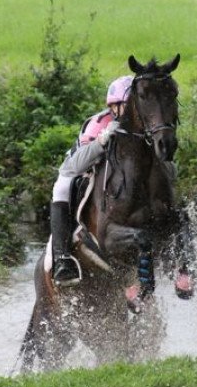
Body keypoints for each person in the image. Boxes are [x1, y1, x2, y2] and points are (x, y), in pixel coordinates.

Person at [50, 75, 134, 286]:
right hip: (83, 170)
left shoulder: (143, 128)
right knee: (61, 187)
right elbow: (75, 166)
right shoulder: (99, 123)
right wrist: (102, 141)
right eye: (129, 106)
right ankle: (62, 258)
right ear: (114, 107)